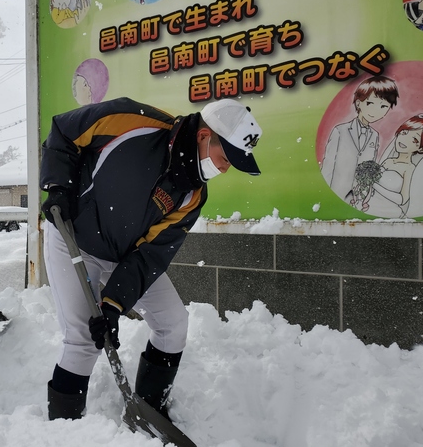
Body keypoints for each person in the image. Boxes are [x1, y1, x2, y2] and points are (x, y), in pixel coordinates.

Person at [40, 97, 262, 421]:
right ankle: (63, 429)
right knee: (83, 339)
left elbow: (149, 257)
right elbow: (65, 131)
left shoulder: (192, 194)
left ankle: (149, 411)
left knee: (173, 323)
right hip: (74, 238)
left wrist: (114, 305)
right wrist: (58, 186)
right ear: (204, 136)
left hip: (123, 256)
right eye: (227, 157)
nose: (227, 167)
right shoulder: (134, 121)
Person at [320, 75, 399, 202]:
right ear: (358, 103)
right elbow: (328, 165)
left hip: (358, 196)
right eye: (369, 103)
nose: (375, 110)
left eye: (383, 106)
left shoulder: (375, 135)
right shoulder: (340, 131)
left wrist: (364, 192)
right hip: (336, 190)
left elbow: (368, 166)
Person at [366, 114, 423, 218]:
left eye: (414, 139)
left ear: (422, 149)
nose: (404, 139)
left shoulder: (410, 169)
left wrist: (374, 185)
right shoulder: (388, 161)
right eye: (404, 133)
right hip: (371, 206)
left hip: (391, 211)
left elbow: (402, 199)